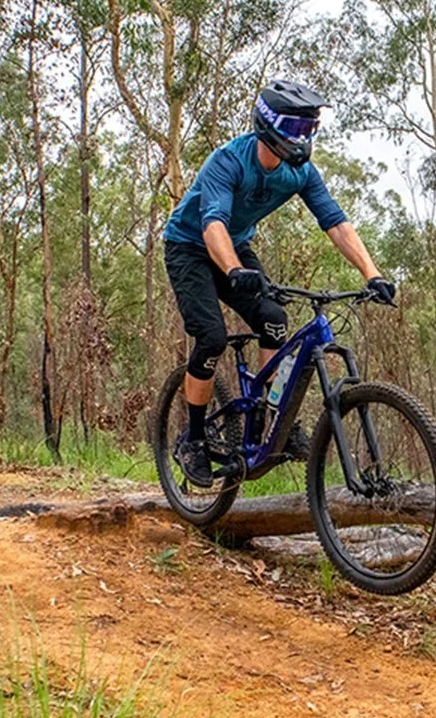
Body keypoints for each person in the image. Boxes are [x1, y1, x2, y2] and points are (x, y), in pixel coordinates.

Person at [163, 79, 396, 487]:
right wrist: (234, 271)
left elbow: (336, 224)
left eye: (310, 130)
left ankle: (273, 422)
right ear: (268, 125)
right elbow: (212, 222)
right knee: (212, 336)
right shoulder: (228, 162)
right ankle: (194, 440)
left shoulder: (300, 173)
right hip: (190, 247)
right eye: (296, 129)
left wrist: (371, 273)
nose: (303, 139)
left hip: (234, 248)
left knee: (273, 317)